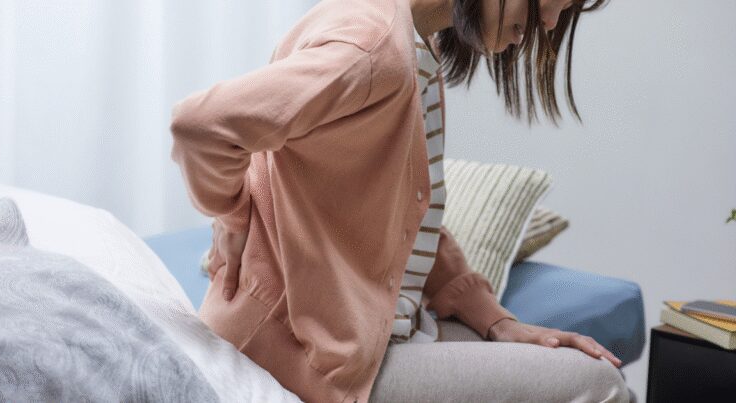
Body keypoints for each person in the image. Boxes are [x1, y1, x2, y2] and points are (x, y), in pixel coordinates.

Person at [170, 0, 632, 402]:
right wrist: (231, 219)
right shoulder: (374, 50)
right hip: (313, 362)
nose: (550, 24)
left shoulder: (411, 47)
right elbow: (204, 124)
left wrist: (494, 319)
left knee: (609, 384)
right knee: (600, 385)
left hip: (379, 336)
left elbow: (407, 211)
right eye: (558, 3)